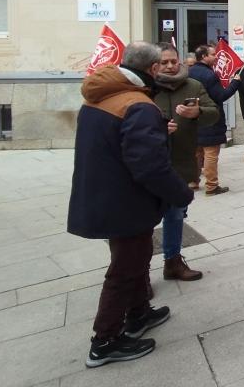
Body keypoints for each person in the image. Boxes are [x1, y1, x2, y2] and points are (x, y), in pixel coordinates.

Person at [68, 42, 193, 368]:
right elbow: (149, 164)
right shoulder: (137, 105)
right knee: (125, 268)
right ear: (152, 69)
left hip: (108, 194)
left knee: (136, 257)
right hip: (123, 199)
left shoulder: (103, 94)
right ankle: (104, 341)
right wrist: (181, 193)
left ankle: (138, 313)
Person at [153, 43, 217, 282]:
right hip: (149, 165)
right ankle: (138, 273)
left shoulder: (193, 85)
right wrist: (156, 129)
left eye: (173, 61)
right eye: (164, 62)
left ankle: (173, 261)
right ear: (154, 64)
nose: (170, 66)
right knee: (144, 220)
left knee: (176, 215)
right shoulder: (145, 88)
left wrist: (198, 113)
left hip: (180, 164)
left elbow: (214, 113)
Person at [189, 44, 240, 195]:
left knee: (197, 153)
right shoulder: (209, 75)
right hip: (210, 118)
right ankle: (211, 185)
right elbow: (220, 96)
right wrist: (235, 83)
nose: (216, 56)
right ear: (203, 56)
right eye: (212, 54)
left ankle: (193, 181)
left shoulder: (188, 72)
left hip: (193, 118)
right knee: (210, 153)